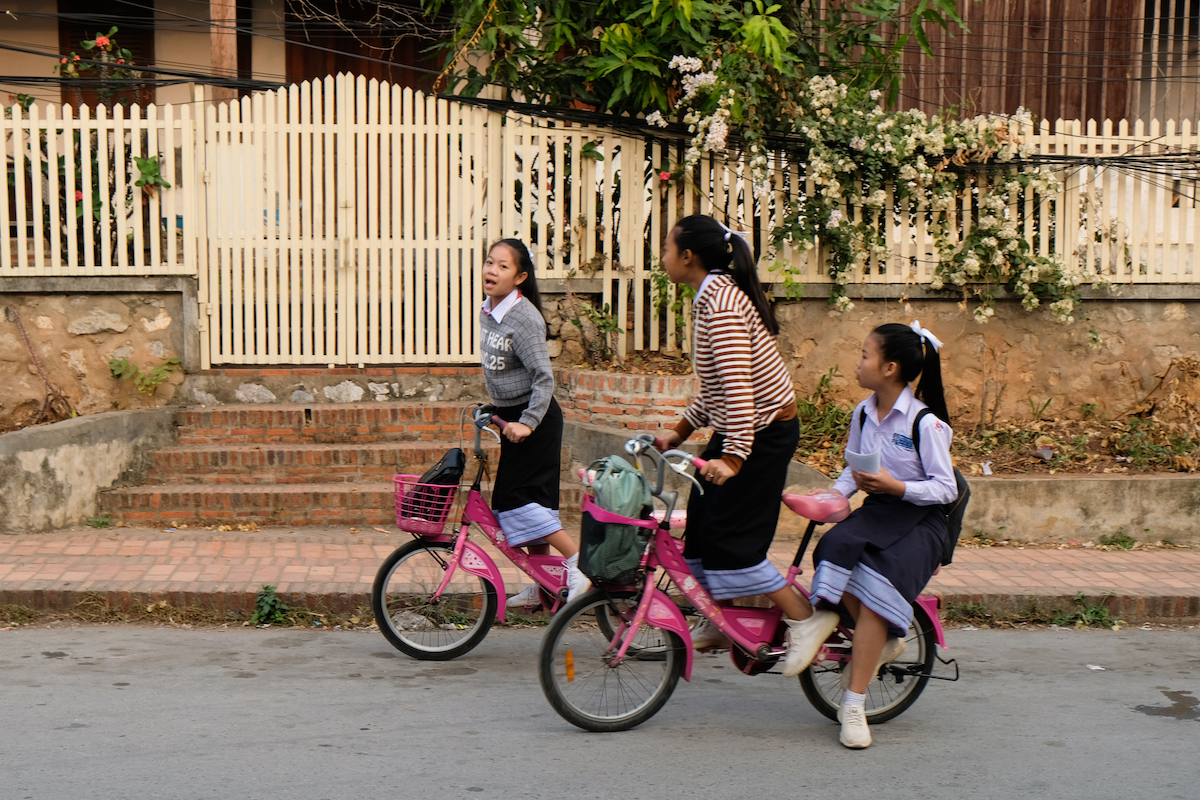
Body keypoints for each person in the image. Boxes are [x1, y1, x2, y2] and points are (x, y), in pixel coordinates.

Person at [656, 214, 825, 655]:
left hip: (763, 434)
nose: (663, 257)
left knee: (734, 544)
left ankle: (806, 622)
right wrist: (678, 432)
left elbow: (739, 390)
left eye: (666, 248)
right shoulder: (707, 295)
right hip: (743, 428)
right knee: (702, 524)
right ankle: (719, 617)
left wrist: (733, 459)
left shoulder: (722, 304)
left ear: (687, 256)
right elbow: (715, 389)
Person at [804, 321, 958, 749]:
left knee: (876, 579)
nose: (858, 362)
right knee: (831, 547)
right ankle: (885, 635)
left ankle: (853, 705)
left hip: (922, 521)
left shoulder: (925, 423)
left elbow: (946, 489)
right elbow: (856, 466)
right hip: (880, 513)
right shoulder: (862, 413)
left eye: (865, 355)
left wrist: (897, 487)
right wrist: (834, 495)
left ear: (890, 368)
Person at [479, 238, 590, 606]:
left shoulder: (524, 318)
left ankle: (578, 565)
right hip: (513, 416)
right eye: (489, 262)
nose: (492, 270)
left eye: (503, 266)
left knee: (518, 501)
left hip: (536, 420)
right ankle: (545, 580)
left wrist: (526, 422)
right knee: (530, 503)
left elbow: (544, 378)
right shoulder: (488, 310)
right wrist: (495, 410)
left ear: (520, 277)